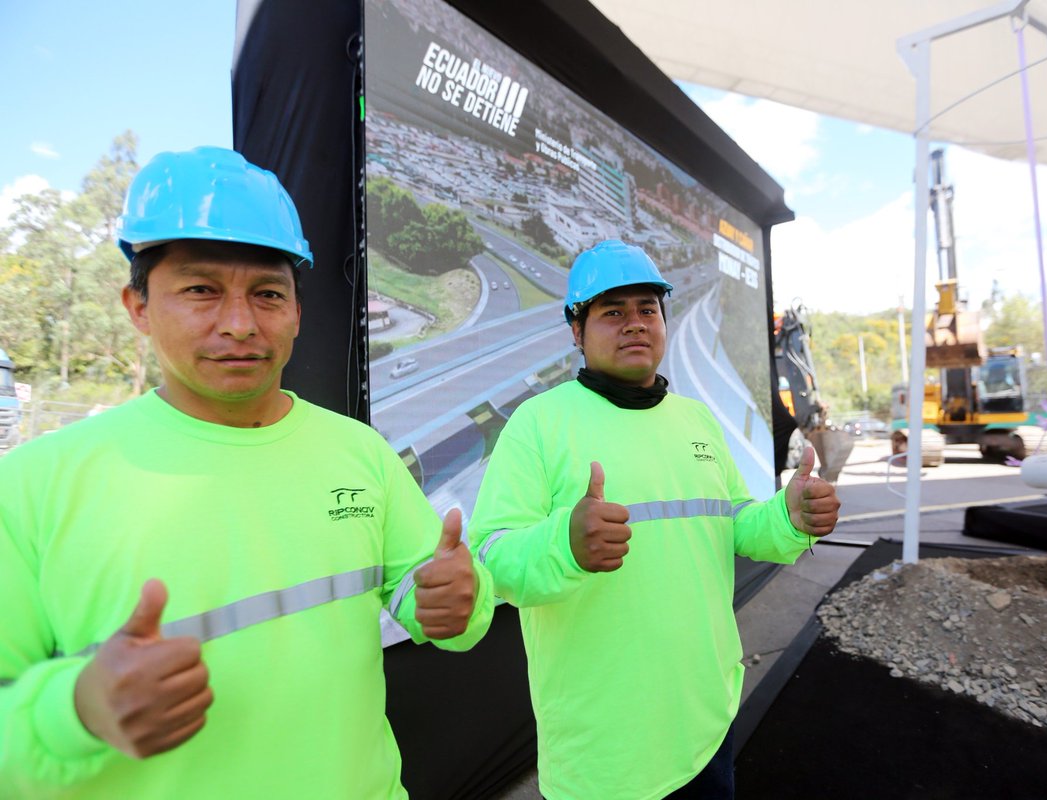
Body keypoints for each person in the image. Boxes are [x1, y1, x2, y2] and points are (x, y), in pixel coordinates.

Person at [0, 147, 494, 798]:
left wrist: (463, 603)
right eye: (201, 290)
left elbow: (440, 602)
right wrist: (76, 711)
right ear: (138, 306)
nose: (239, 323)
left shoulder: (358, 451)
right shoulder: (34, 485)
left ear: (295, 311)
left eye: (266, 294)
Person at [467, 240, 841, 800]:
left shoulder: (695, 421)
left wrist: (788, 516)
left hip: (705, 720)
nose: (635, 324)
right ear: (577, 330)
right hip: (604, 749)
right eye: (612, 311)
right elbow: (493, 558)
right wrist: (564, 546)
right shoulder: (537, 425)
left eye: (647, 309)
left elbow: (737, 525)